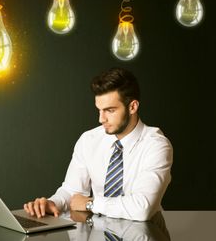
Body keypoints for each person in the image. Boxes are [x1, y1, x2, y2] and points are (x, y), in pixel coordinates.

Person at [24, 67, 173, 221]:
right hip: (98, 231)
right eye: (99, 110)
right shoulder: (89, 140)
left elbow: (142, 208)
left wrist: (90, 204)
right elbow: (72, 191)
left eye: (110, 110)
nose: (101, 119)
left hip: (146, 233)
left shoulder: (156, 145)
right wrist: (52, 203)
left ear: (132, 107)